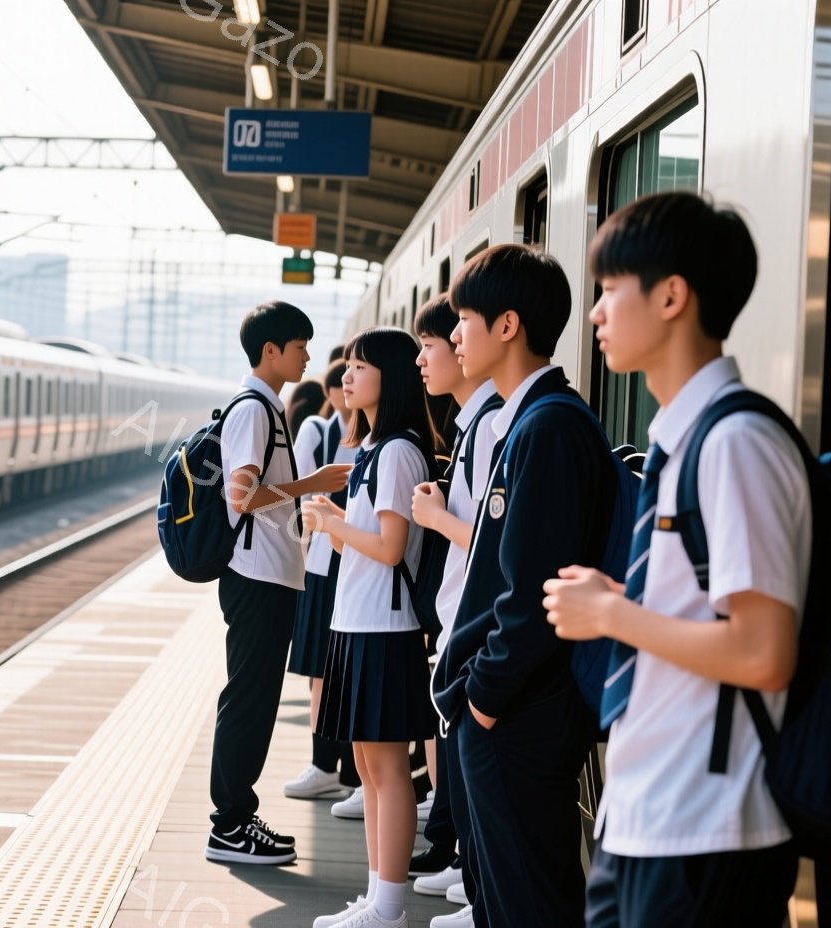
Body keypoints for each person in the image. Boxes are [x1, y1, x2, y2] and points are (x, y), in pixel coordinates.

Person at [543, 192, 809, 928]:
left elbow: (763, 652)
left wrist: (613, 613)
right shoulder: (681, 441)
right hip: (647, 813)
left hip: (707, 830)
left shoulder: (735, 445)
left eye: (608, 291)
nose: (595, 314)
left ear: (670, 297)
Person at [430, 243, 611, 928]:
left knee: (528, 905)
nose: (454, 337)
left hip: (518, 713)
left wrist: (482, 698)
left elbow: (533, 590)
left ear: (507, 326)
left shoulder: (550, 428)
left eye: (464, 319)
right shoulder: (532, 422)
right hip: (509, 709)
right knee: (506, 898)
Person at [204, 300, 351, 867]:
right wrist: (309, 483)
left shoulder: (266, 407)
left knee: (256, 699)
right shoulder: (254, 411)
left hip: (269, 575)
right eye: (300, 345)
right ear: (272, 351)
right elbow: (238, 497)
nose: (309, 355)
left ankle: (238, 816)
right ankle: (229, 826)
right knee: (248, 699)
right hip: (256, 575)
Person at [302, 327, 437, 928]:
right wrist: (334, 519)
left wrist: (332, 525)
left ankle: (389, 906)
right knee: (366, 764)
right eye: (347, 366)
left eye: (360, 366)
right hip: (356, 622)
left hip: (385, 626)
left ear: (393, 375)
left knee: (384, 767)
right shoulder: (374, 449)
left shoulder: (399, 451)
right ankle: (375, 897)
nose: (346, 376)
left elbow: (389, 548)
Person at [408, 295, 504, 926]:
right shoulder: (477, 423)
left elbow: (496, 541)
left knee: (482, 780)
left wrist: (437, 518)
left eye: (437, 342)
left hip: (478, 625)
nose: (425, 359)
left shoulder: (493, 424)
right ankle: (471, 875)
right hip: (460, 619)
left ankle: (481, 889)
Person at [282, 362, 362, 803]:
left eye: (358, 372)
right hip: (322, 562)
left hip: (357, 559)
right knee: (320, 670)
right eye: (344, 377)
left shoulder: (380, 441)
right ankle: (322, 763)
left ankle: (352, 773)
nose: (347, 384)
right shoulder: (319, 430)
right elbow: (298, 494)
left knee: (350, 670)